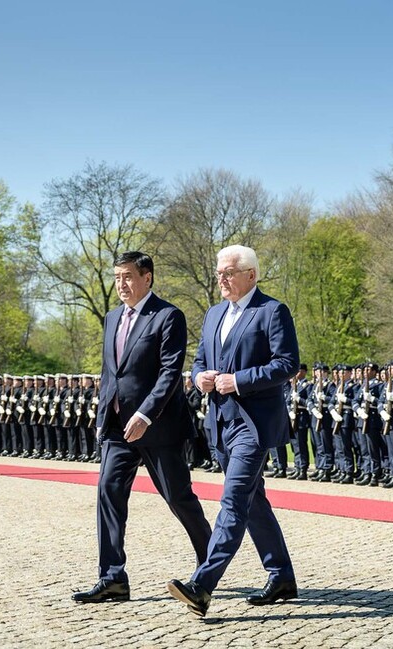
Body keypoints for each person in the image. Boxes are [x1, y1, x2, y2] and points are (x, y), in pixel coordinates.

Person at [168, 244, 299, 618]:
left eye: (228, 272)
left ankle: (203, 586)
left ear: (251, 275)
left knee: (234, 500)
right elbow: (198, 362)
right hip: (220, 424)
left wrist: (237, 380)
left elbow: (287, 363)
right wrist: (200, 378)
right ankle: (282, 576)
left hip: (254, 425)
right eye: (219, 273)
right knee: (254, 501)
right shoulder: (213, 314)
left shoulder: (272, 311)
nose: (221, 278)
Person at [73, 251, 212, 604]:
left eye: (129, 276)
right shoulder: (111, 318)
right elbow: (110, 374)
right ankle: (112, 577)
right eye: (117, 277)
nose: (122, 284)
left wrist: (146, 414)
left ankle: (211, 563)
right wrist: (104, 414)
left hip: (159, 427)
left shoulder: (168, 317)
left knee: (178, 498)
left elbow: (170, 374)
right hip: (119, 428)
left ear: (147, 277)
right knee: (108, 492)